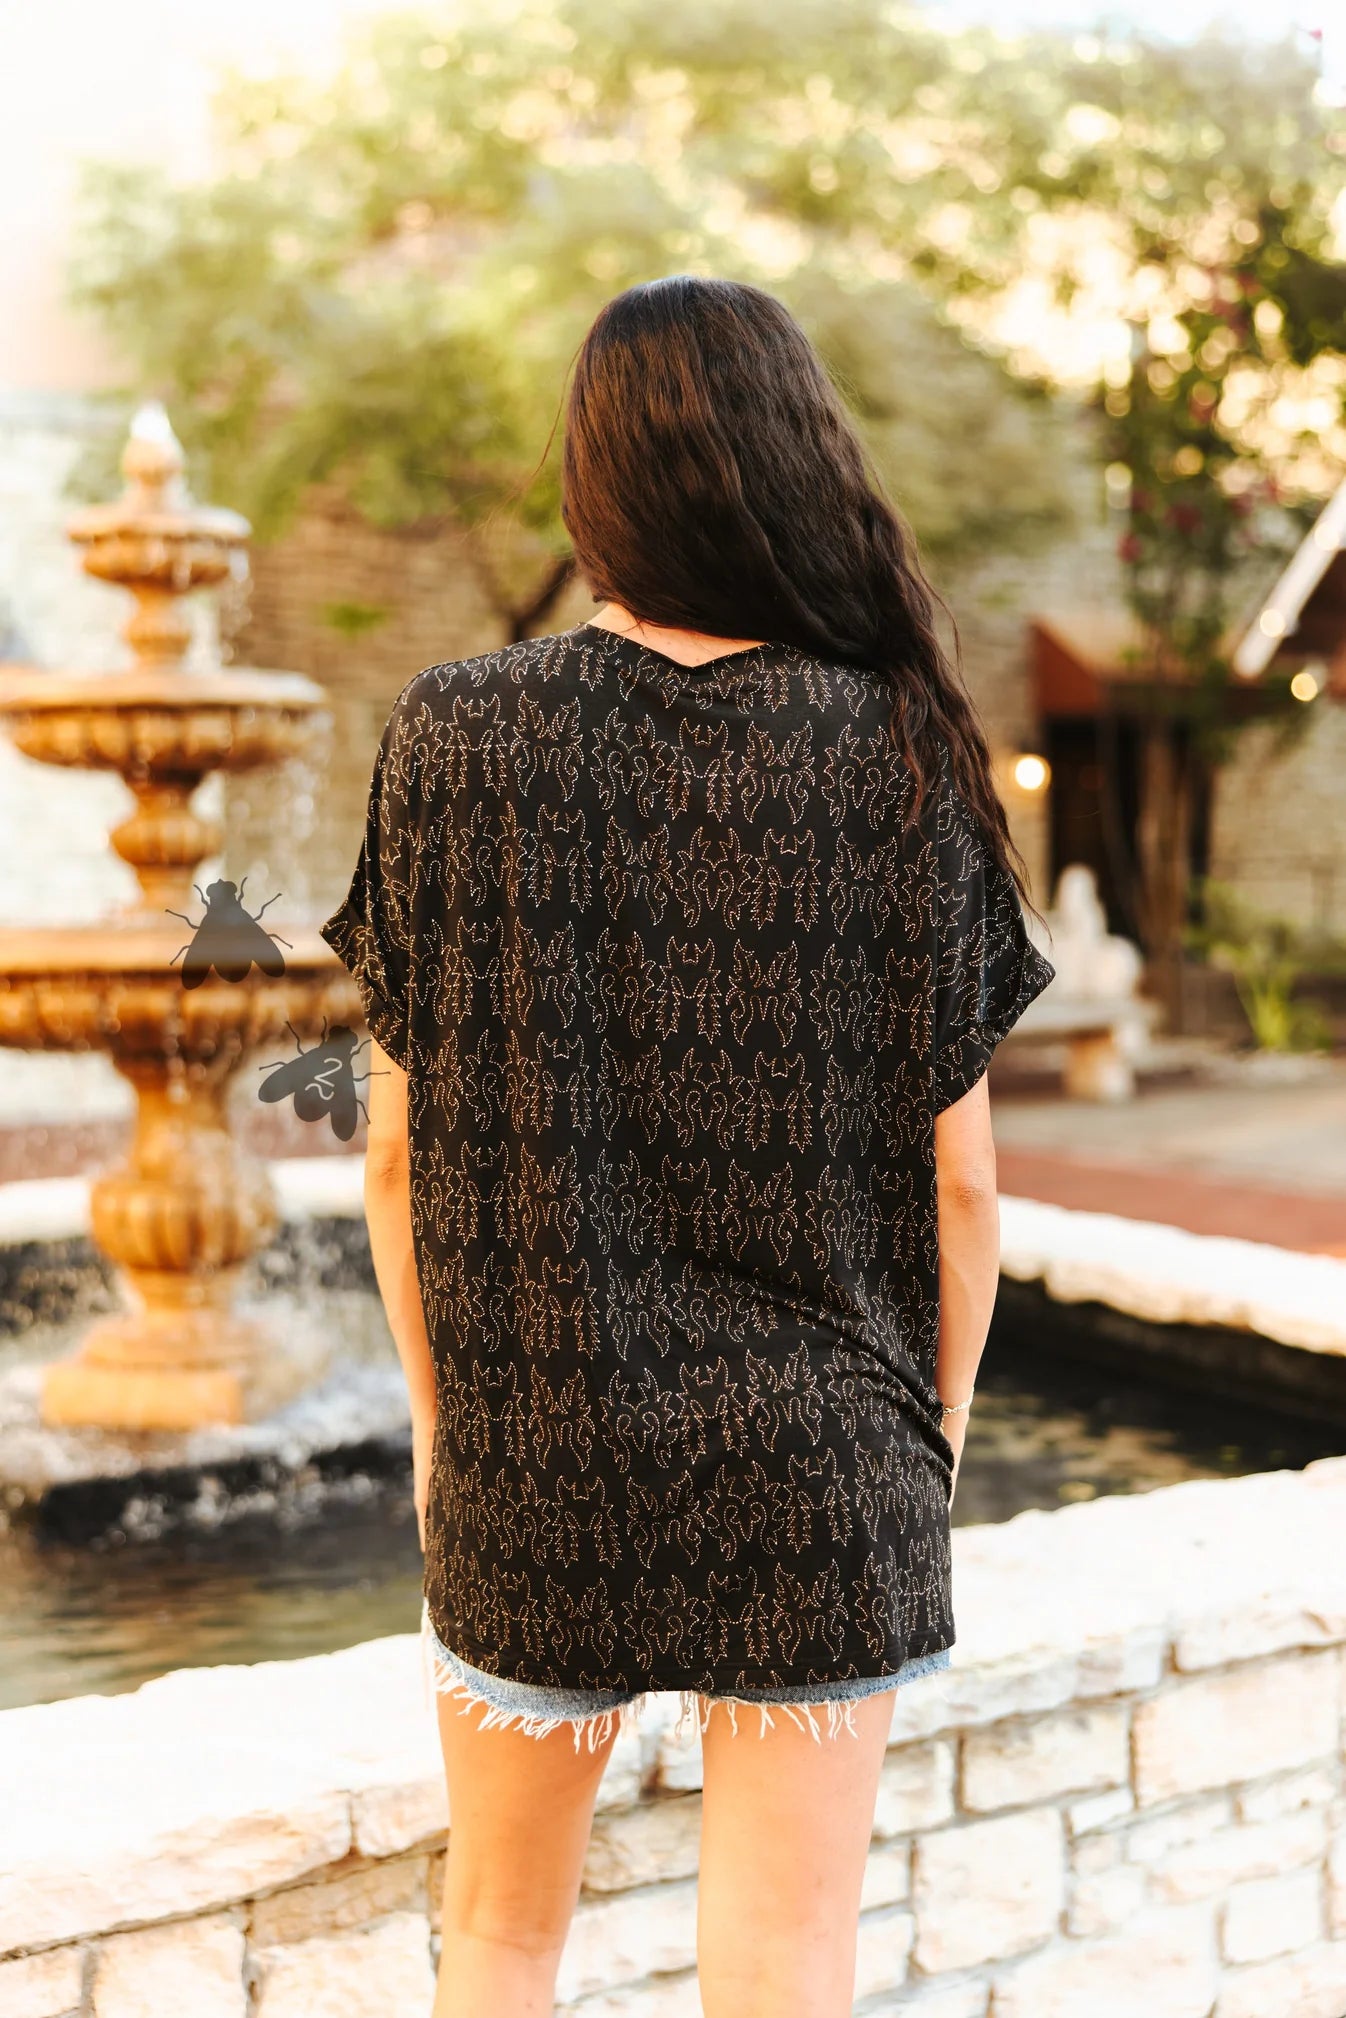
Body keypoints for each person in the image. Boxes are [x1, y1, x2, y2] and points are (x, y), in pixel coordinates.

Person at [322, 274, 1054, 2018]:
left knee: (501, 1932)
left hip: (535, 1449)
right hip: (820, 1465)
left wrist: (445, 1422)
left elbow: (394, 1156)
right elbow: (960, 1185)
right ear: (800, 460)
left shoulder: (454, 732)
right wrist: (924, 1437)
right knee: (786, 1957)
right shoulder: (895, 746)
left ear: (592, 480)